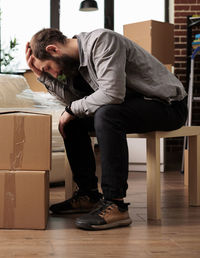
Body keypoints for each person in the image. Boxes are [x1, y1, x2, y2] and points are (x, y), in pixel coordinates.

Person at [25, 28, 187, 230]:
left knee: (107, 114)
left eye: (48, 67)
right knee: (72, 121)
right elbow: (77, 103)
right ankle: (88, 194)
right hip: (133, 106)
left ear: (53, 49)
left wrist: (71, 109)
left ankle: (116, 204)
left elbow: (112, 94)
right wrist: (43, 77)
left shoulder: (102, 42)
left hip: (167, 105)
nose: (54, 73)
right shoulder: (74, 65)